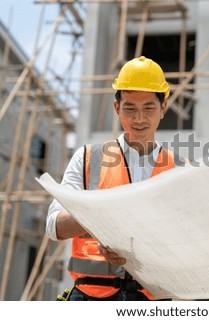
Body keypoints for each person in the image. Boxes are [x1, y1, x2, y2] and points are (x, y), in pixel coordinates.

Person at [46, 56, 179, 301]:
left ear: (163, 107)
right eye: (130, 108)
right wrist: (100, 217)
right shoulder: (88, 158)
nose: (139, 118)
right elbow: (54, 227)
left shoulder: (179, 169)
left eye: (148, 107)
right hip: (90, 297)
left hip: (151, 300)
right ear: (117, 108)